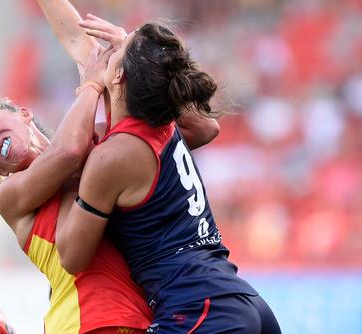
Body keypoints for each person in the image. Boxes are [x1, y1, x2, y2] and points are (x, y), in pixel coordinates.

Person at [0, 0, 219, 333]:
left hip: (140, 320)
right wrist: (96, 80)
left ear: (23, 114)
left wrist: (135, 64)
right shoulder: (13, 194)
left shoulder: (104, 146)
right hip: (87, 323)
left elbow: (198, 129)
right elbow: (68, 152)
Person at [53, 17, 282, 333]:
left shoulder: (115, 154)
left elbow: (71, 256)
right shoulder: (163, 126)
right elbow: (207, 125)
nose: (110, 48)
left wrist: (90, 88)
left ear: (118, 75)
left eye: (119, 47)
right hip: (241, 302)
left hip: (200, 309)